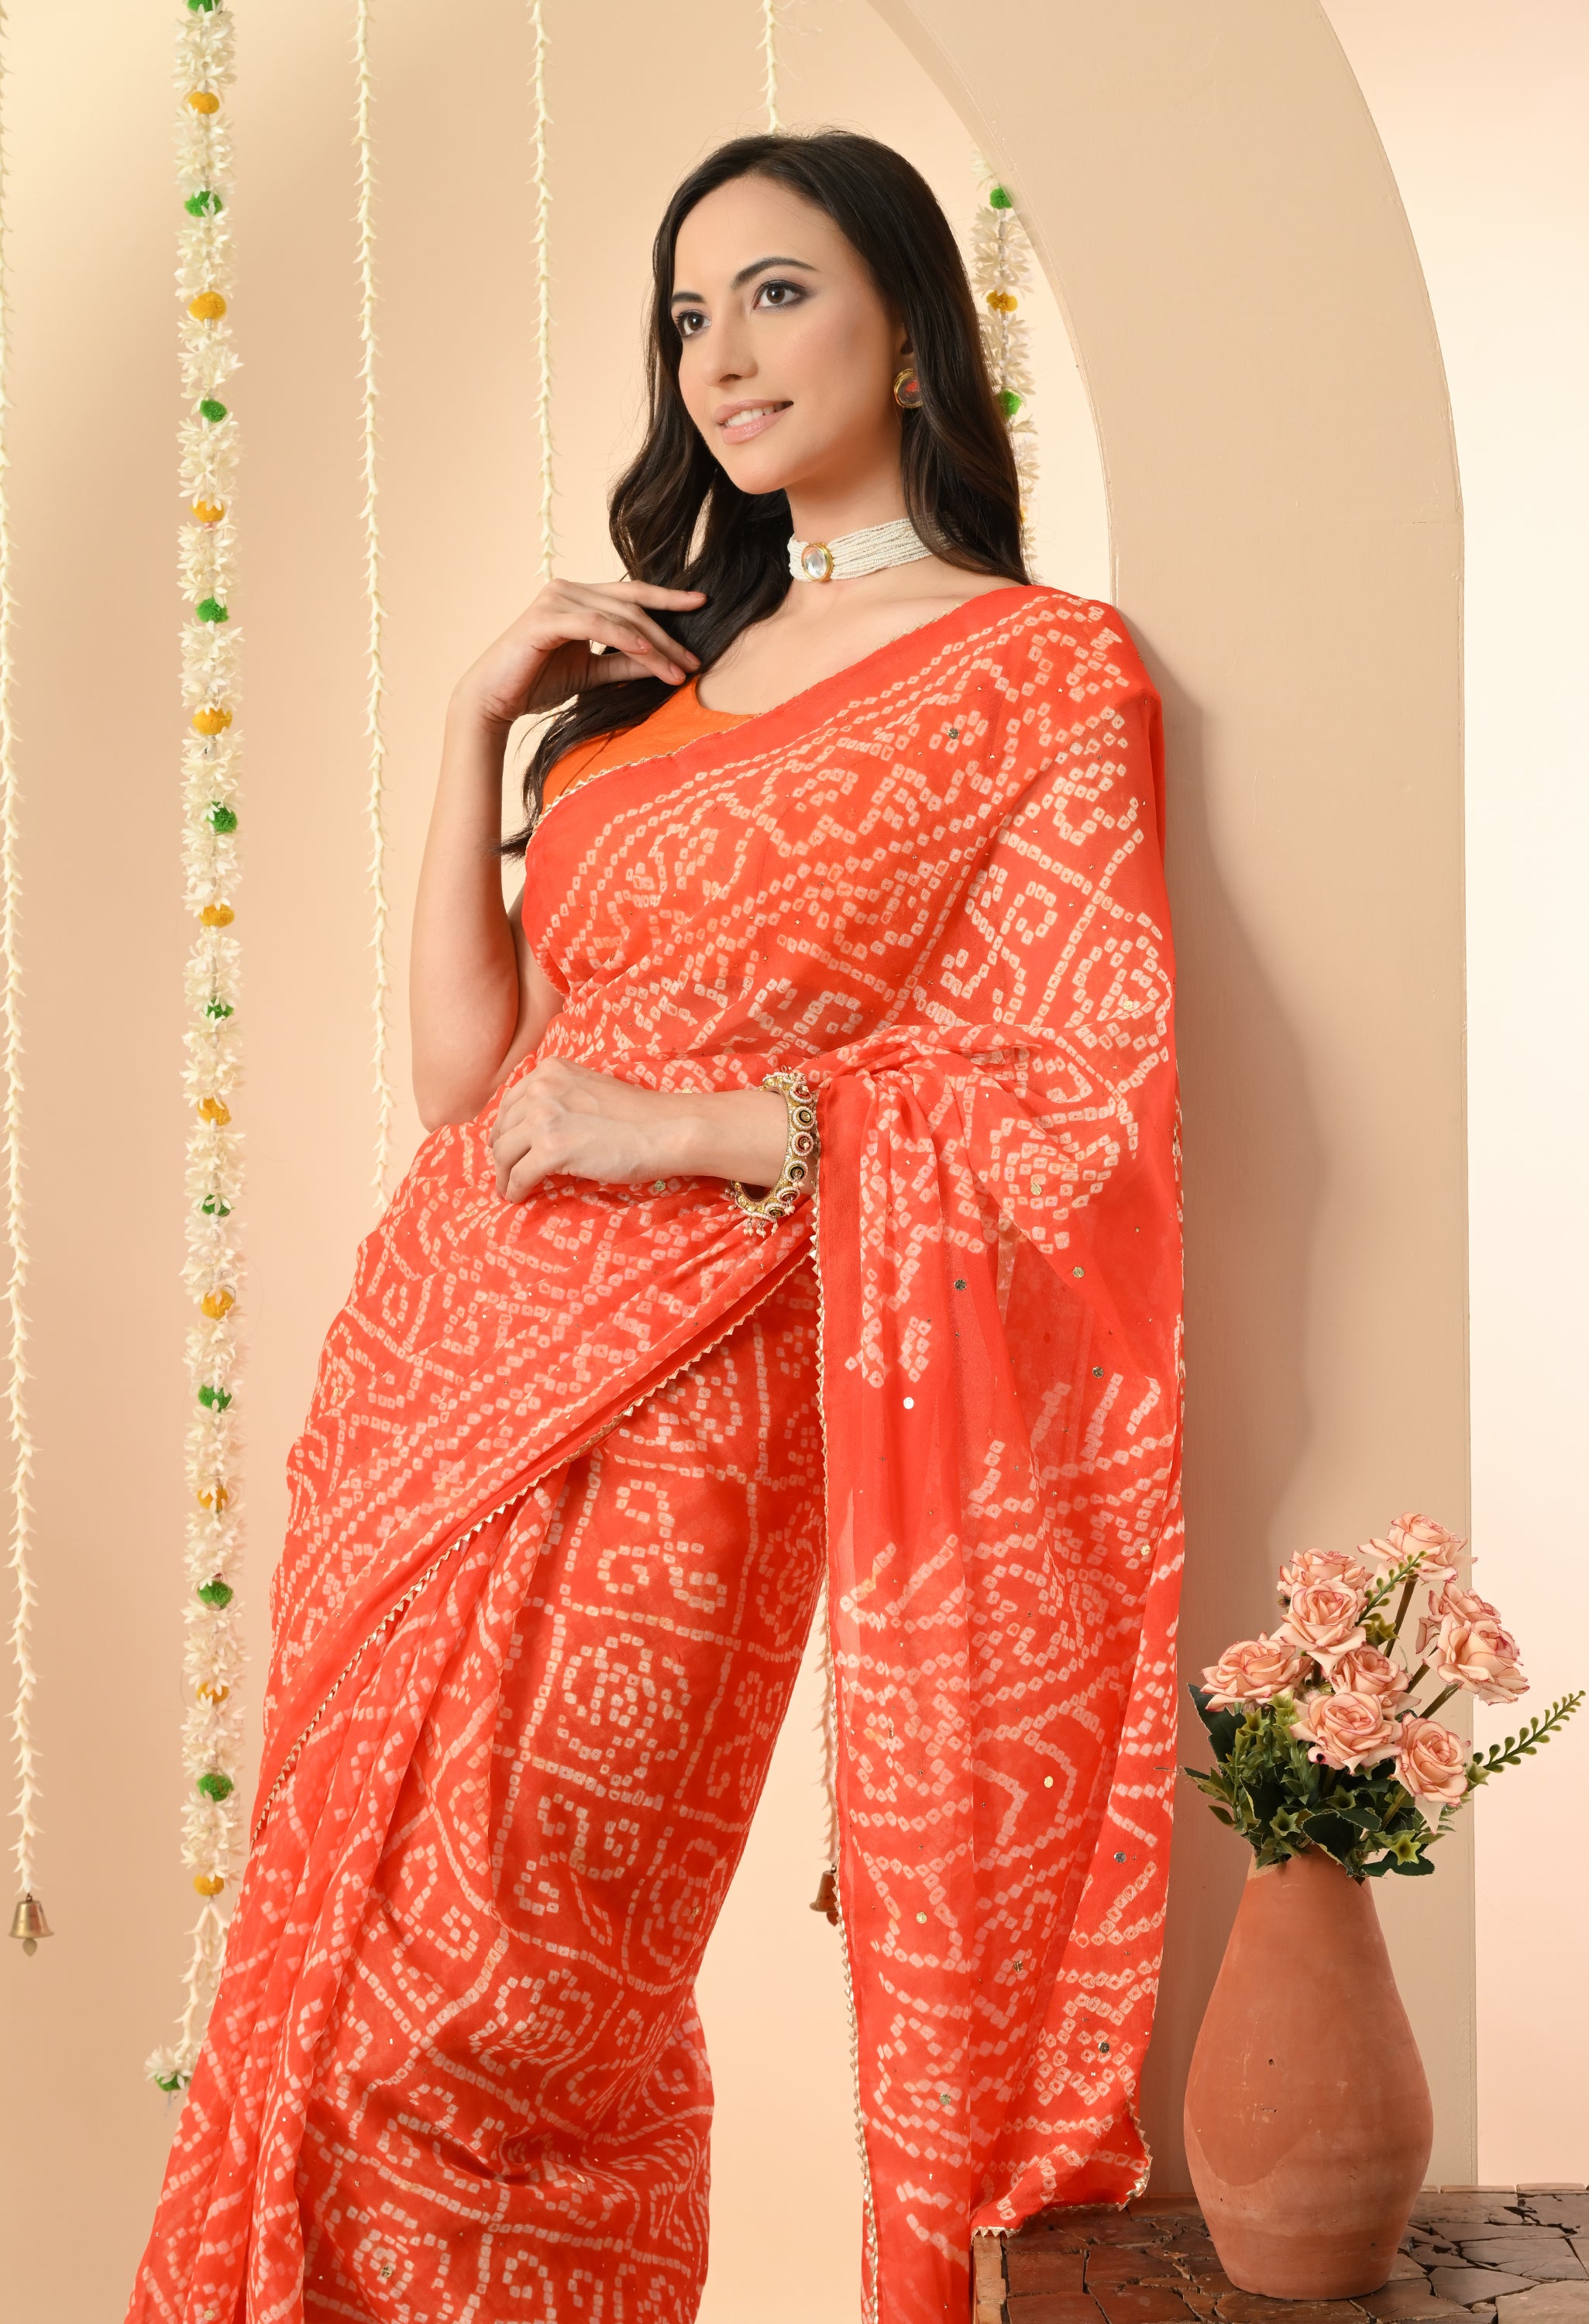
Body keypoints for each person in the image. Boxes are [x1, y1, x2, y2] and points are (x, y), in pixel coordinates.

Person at [128, 130, 1183, 2324]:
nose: (720, 353)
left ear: (908, 326)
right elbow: (462, 1078)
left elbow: (1068, 1105)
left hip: (709, 1396)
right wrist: (465, 731)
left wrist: (693, 1125)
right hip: (432, 1388)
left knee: (514, 2011)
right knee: (328, 2004)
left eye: (777, 293)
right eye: (687, 315)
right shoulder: (653, 691)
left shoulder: (1036, 675)